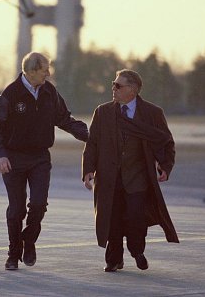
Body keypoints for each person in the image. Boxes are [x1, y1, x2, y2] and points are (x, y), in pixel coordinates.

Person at [0, 52, 89, 270]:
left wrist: (89, 135)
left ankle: (29, 240)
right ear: (31, 71)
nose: (48, 73)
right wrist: (0, 155)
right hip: (13, 159)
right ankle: (13, 254)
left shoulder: (49, 92)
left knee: (39, 204)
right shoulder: (10, 94)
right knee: (16, 209)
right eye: (44, 70)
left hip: (40, 158)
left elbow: (64, 118)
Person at [82, 68, 179, 272]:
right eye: (113, 84)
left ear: (133, 90)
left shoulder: (152, 113)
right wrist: (88, 170)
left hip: (138, 178)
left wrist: (165, 167)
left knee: (136, 220)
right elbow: (92, 144)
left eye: (118, 85)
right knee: (112, 219)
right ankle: (113, 259)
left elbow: (166, 142)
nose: (113, 89)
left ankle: (137, 251)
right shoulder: (103, 112)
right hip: (110, 178)